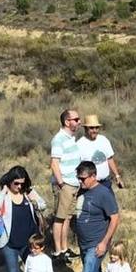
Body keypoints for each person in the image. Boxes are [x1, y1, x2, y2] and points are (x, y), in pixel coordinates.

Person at [73, 161, 121, 272]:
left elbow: (115, 218)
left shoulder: (103, 193)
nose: (80, 181)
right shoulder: (82, 191)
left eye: (83, 178)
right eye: (78, 178)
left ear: (93, 176)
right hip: (83, 243)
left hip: (97, 243)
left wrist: (104, 242)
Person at [49, 108, 83, 260]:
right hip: (66, 183)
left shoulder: (71, 138)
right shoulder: (59, 139)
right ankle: (58, 250)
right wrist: (61, 183)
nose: (79, 122)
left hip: (73, 183)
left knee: (67, 217)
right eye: (76, 119)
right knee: (60, 218)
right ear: (67, 122)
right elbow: (54, 163)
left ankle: (64, 248)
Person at [80, 115, 124, 189]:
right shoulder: (80, 144)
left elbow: (109, 159)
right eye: (91, 128)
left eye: (97, 128)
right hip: (90, 185)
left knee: (110, 200)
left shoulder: (103, 140)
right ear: (85, 129)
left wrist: (117, 176)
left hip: (106, 182)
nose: (95, 130)